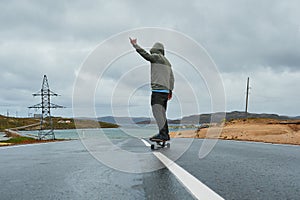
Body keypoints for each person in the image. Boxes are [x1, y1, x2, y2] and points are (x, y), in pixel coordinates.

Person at [129, 37, 174, 141]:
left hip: (157, 91)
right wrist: (170, 90)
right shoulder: (168, 62)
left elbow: (146, 55)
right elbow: (172, 78)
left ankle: (163, 135)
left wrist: (135, 45)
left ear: (155, 50)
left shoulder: (157, 57)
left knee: (157, 113)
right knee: (162, 113)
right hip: (165, 92)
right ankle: (165, 134)